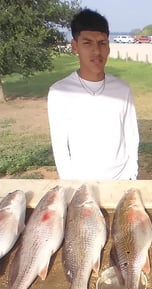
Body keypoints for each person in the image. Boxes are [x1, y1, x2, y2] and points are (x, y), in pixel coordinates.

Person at [47, 8, 139, 180]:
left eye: (102, 43)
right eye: (87, 43)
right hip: (80, 185)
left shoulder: (122, 89)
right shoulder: (59, 92)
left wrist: (131, 176)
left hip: (120, 182)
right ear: (75, 46)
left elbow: (131, 136)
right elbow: (60, 147)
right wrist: (71, 185)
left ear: (109, 46)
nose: (97, 51)